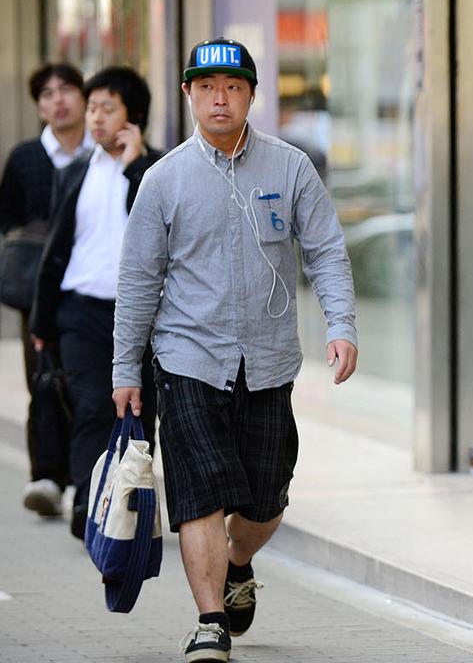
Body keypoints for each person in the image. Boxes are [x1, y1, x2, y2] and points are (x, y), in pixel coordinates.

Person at [111, 38, 358, 663]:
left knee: (265, 499)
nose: (219, 98)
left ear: (251, 95)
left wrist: (342, 325)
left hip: (269, 362)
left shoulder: (290, 167)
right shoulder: (163, 180)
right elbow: (138, 279)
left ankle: (238, 560)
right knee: (200, 493)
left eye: (233, 87)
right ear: (189, 94)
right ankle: (210, 622)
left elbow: (326, 249)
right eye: (206, 87)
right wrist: (124, 367)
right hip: (188, 360)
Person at [29, 66, 162, 539]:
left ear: (134, 116)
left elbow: (155, 228)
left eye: (108, 108)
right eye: (93, 108)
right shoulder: (78, 172)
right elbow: (57, 249)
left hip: (142, 317)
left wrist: (134, 165)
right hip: (81, 312)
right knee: (90, 405)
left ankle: (128, 505)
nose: (96, 117)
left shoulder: (155, 172)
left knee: (139, 413)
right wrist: (42, 320)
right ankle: (89, 504)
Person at [0, 63, 91, 517]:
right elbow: (8, 219)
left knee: (85, 382)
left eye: (67, 90)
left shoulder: (101, 154)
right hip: (39, 289)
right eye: (47, 94)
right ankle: (47, 477)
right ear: (38, 105)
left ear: (83, 97)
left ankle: (82, 478)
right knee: (42, 379)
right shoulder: (25, 158)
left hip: (89, 286)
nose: (58, 100)